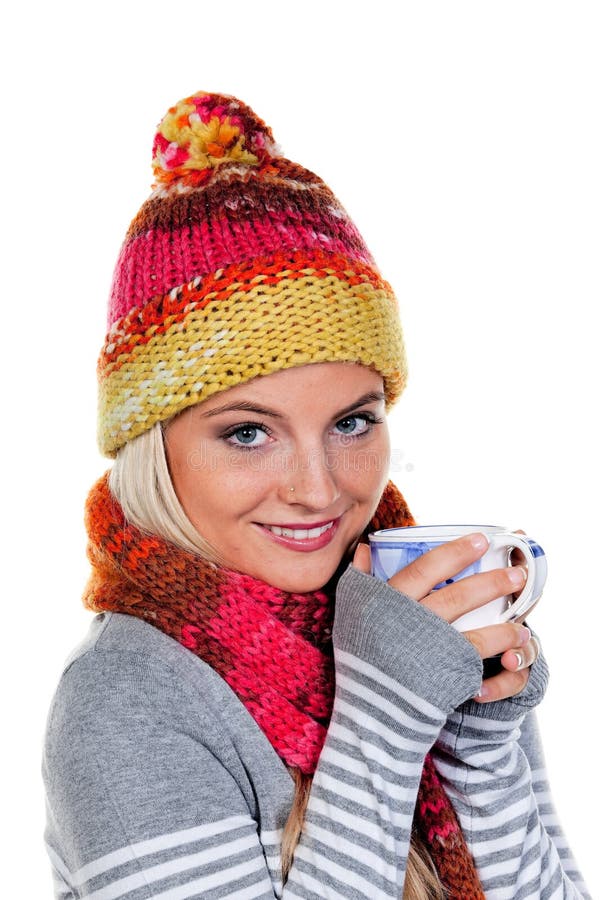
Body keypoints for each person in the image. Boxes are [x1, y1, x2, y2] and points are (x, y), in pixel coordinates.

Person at [42, 91, 589, 900]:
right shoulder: (124, 701)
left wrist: (478, 744)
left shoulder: (402, 626)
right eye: (247, 432)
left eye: (352, 422)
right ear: (156, 447)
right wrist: (389, 714)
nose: (319, 489)